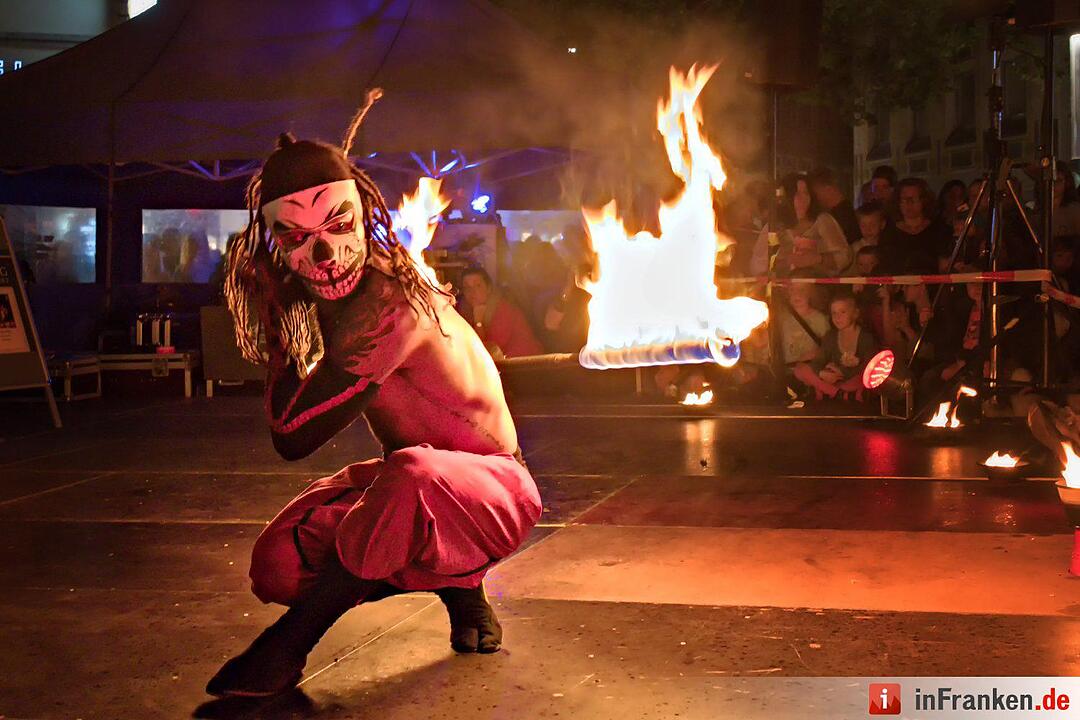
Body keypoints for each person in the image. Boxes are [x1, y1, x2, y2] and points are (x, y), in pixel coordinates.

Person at [209, 95, 542, 698]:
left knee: (413, 473)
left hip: (498, 493)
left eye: (339, 226)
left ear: (365, 214)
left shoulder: (387, 305)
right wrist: (285, 315)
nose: (328, 254)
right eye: (300, 238)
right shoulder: (328, 300)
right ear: (276, 245)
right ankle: (456, 578)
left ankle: (290, 645)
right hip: (411, 492)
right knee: (279, 563)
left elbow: (292, 436)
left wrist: (284, 322)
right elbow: (292, 431)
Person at [749, 173, 851, 277]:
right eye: (797, 194)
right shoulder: (774, 226)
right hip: (782, 289)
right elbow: (757, 264)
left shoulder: (822, 221)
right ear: (787, 197)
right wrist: (783, 262)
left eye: (806, 193)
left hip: (819, 288)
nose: (803, 199)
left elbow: (844, 256)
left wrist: (817, 258)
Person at [793, 294, 878, 401]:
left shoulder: (866, 337)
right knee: (800, 369)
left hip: (851, 380)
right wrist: (822, 373)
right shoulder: (831, 336)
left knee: (866, 377)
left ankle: (832, 392)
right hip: (832, 380)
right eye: (834, 313)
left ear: (855, 314)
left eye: (843, 312)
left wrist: (844, 371)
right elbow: (819, 361)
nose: (838, 317)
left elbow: (871, 366)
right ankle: (838, 393)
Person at [458, 266, 543, 358]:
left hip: (526, 364)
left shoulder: (503, 310)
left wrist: (478, 322)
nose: (472, 291)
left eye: (478, 285)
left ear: (488, 288)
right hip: (504, 364)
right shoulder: (464, 309)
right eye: (467, 287)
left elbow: (487, 351)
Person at [879, 178, 950, 275]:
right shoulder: (889, 233)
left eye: (913, 199)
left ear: (924, 201)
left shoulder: (939, 230)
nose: (909, 204)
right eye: (904, 199)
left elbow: (944, 266)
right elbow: (885, 266)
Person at [807, 166, 860, 246]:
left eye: (816, 193)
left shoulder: (839, 217)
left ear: (828, 189)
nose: (815, 198)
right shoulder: (846, 211)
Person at [847, 201, 888, 271]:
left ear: (882, 224)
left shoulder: (887, 247)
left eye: (872, 225)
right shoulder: (855, 249)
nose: (868, 229)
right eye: (863, 226)